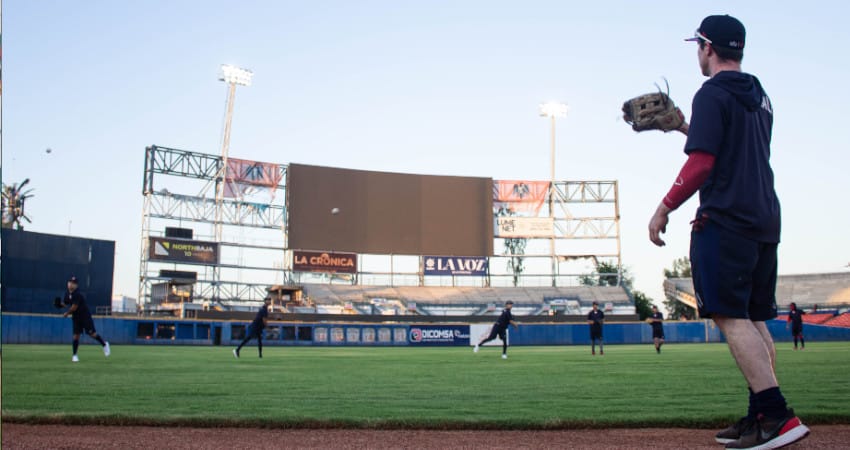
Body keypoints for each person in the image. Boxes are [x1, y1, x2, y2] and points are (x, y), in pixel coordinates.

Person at [647, 15, 809, 449]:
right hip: (763, 217)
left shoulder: (712, 92)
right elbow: (738, 149)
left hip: (726, 218)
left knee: (730, 317)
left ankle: (776, 415)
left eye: (697, 46)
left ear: (706, 47)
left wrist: (663, 209)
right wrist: (683, 126)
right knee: (754, 319)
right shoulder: (760, 95)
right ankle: (759, 414)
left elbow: (704, 163)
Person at [62, 276, 110, 362]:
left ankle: (104, 344)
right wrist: (59, 305)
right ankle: (75, 355)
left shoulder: (77, 294)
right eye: (69, 282)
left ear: (76, 285)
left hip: (85, 317)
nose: (70, 284)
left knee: (92, 334)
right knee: (76, 336)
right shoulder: (67, 294)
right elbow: (65, 303)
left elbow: (74, 307)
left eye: (73, 283)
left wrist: (67, 313)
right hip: (76, 318)